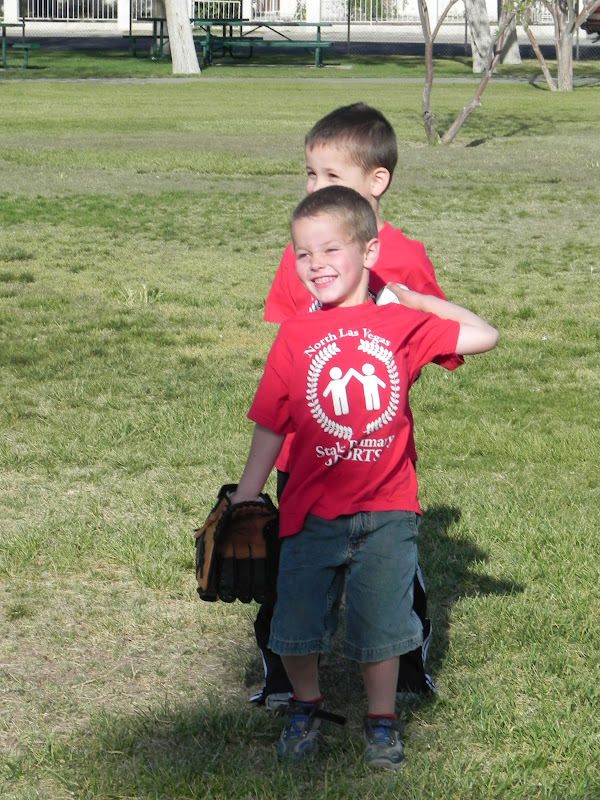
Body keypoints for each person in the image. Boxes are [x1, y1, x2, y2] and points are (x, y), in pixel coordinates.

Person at [230, 186, 498, 768]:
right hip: (310, 509)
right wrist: (247, 495)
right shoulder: (295, 335)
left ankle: (381, 720)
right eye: (303, 254)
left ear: (370, 251)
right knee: (294, 622)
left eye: (330, 249)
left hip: (389, 510)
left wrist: (420, 301)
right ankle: (306, 703)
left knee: (382, 622)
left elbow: (484, 335)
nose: (315, 264)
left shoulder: (401, 323)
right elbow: (270, 424)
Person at [251, 102, 463, 710]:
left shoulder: (403, 256)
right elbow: (289, 352)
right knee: (288, 567)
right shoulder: (305, 258)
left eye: (331, 177)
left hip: (378, 452)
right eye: (309, 174)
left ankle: (407, 673)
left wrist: (406, 309)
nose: (315, 187)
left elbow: (437, 346)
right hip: (304, 447)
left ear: (377, 182)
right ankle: (282, 679)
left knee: (396, 571)